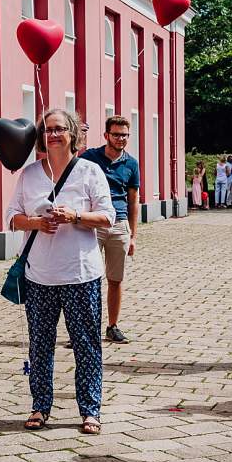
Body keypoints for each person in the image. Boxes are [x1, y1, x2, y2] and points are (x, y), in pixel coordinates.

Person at [6, 108, 115, 435]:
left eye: (59, 129)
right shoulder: (29, 175)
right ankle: (40, 406)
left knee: (86, 343)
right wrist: (37, 222)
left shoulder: (90, 172)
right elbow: (12, 218)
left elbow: (108, 217)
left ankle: (90, 409)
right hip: (39, 274)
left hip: (81, 273)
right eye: (48, 130)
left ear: (73, 135)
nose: (53, 135)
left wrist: (76, 216)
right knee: (40, 344)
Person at [80, 115, 140, 344]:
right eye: (116, 134)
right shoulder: (90, 158)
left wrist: (133, 235)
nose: (121, 139)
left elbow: (133, 200)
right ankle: (86, 329)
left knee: (115, 279)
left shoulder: (131, 164)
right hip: (93, 223)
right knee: (87, 278)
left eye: (124, 135)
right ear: (106, 135)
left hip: (119, 224)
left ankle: (112, 326)